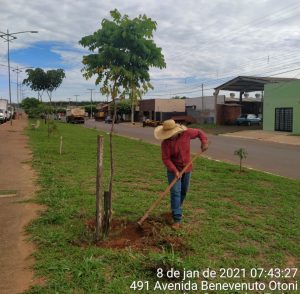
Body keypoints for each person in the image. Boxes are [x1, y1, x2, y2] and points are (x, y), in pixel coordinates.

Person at [154, 119, 208, 230]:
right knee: (175, 192)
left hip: (187, 168)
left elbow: (199, 132)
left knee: (183, 191)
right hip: (173, 170)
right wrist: (175, 171)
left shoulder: (187, 133)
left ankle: (177, 208)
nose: (169, 137)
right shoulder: (165, 144)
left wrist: (204, 142)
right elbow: (166, 159)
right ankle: (177, 219)